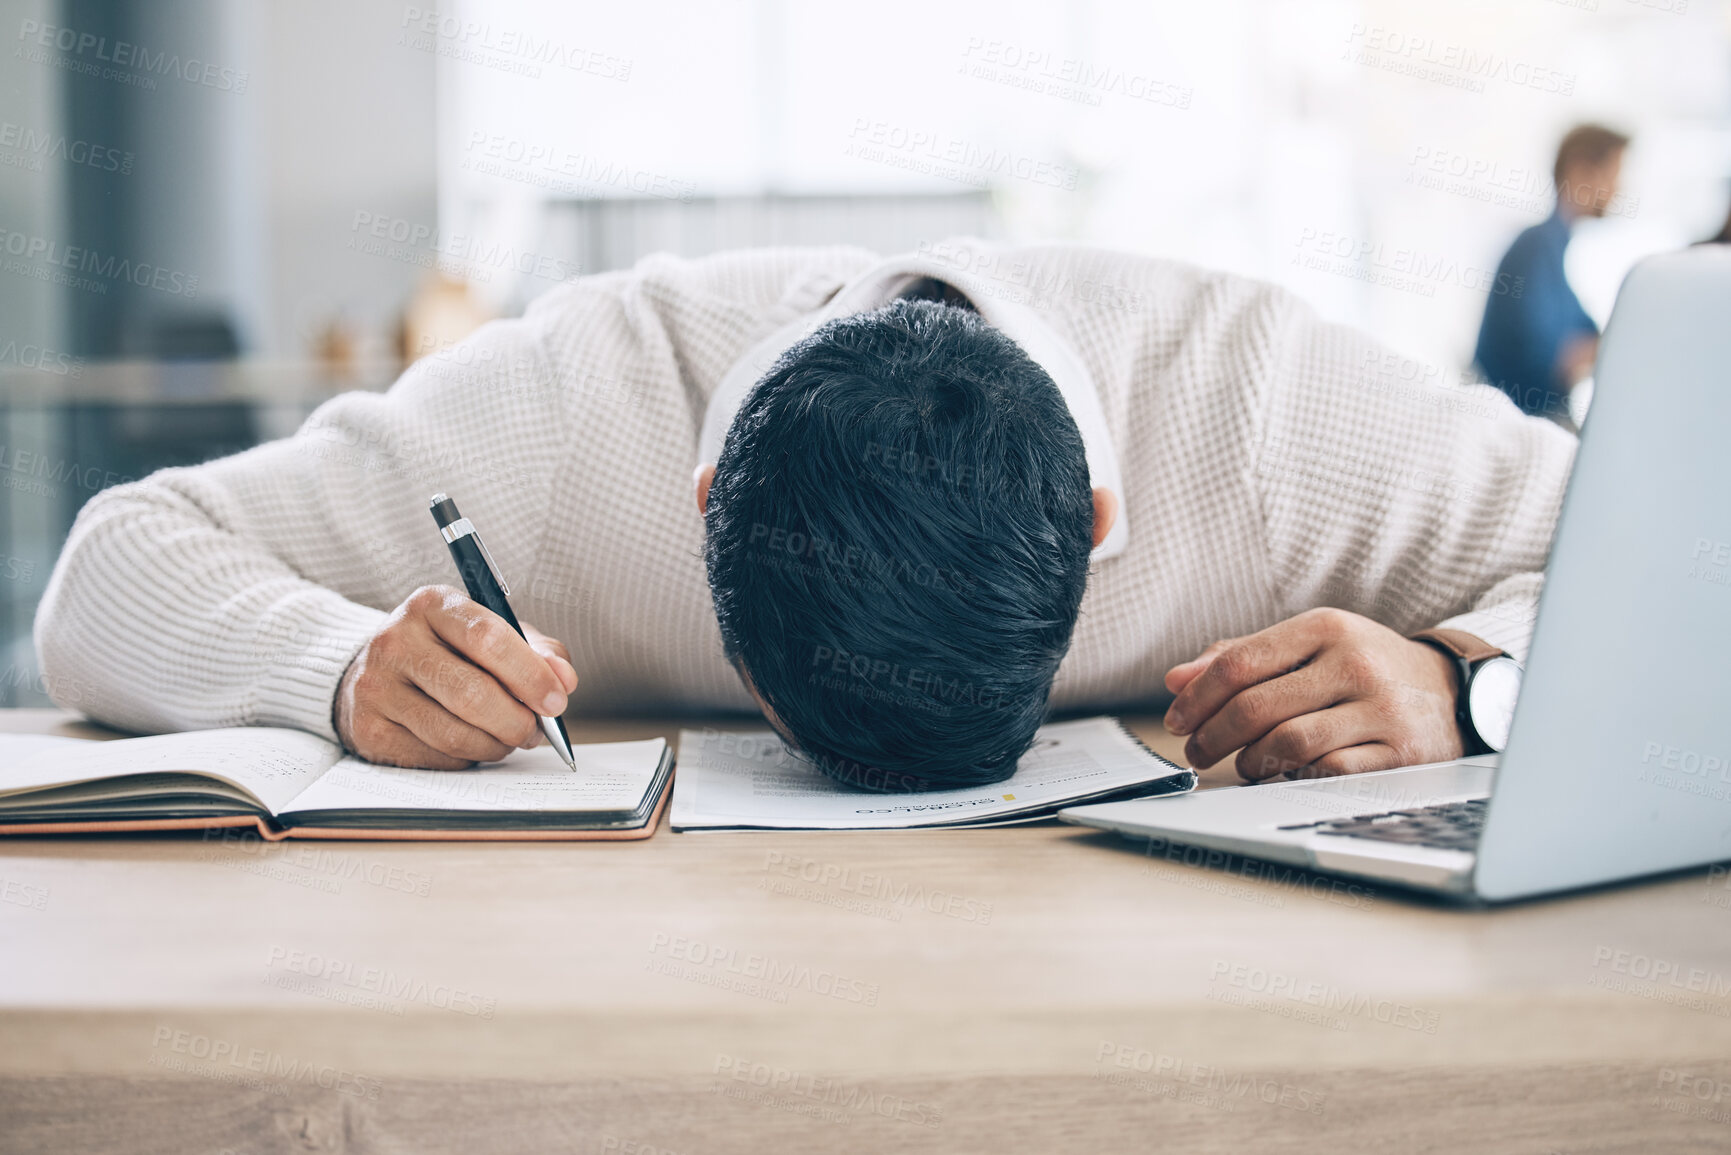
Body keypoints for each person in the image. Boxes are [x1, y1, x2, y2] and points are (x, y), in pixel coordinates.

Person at [35, 240, 1573, 790]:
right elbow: (106, 567)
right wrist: (341, 661)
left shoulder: (1258, 403)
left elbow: (1677, 539)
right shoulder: (571, 409)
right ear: (694, 506)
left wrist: (1464, 677)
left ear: (1106, 515)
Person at [1474, 124, 1629, 425]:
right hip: (1518, 424)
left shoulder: (1555, 249)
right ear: (1582, 170)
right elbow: (1554, 361)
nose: (1619, 188)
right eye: (1614, 173)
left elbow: (1589, 334)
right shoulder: (1536, 248)